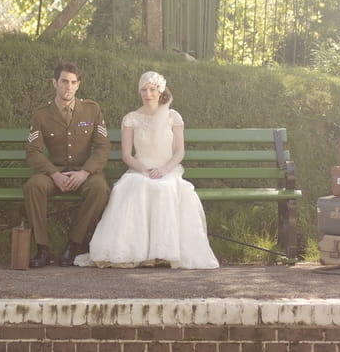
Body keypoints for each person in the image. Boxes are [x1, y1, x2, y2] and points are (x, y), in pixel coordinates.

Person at [75, 71, 219, 269]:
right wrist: (144, 169)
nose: (148, 94)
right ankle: (137, 252)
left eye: (152, 89)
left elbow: (179, 151)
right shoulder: (131, 118)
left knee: (166, 189)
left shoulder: (173, 116)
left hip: (167, 170)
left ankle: (164, 252)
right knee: (136, 185)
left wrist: (164, 169)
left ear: (160, 91)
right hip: (139, 169)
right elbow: (127, 155)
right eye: (144, 89)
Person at [24, 61, 111, 268]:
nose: (68, 87)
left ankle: (74, 244)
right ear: (54, 83)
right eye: (64, 81)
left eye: (73, 82)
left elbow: (102, 147)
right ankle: (42, 248)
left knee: (100, 189)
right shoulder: (42, 114)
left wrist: (85, 172)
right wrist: (54, 174)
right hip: (56, 173)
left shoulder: (92, 110)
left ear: (78, 85)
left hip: (84, 172)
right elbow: (33, 151)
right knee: (33, 186)